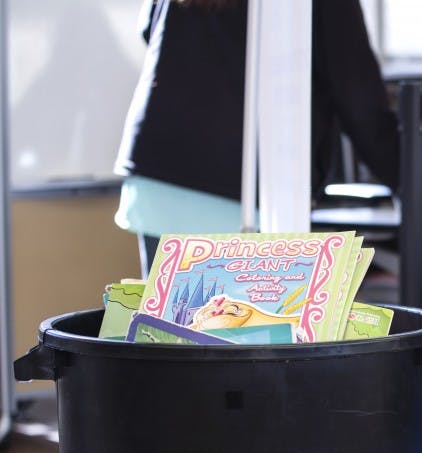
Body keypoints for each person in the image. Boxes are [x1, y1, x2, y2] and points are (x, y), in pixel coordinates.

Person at [113, 0, 399, 274]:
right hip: (246, 184)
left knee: (168, 321)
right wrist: (413, 179)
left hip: (160, 166)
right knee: (244, 321)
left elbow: (149, 29)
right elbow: (358, 96)